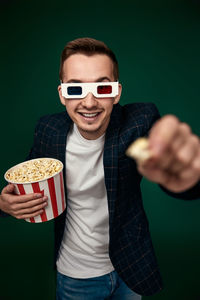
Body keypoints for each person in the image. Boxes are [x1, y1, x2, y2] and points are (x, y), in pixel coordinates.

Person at [0, 37, 200, 300]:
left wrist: (187, 179)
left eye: (102, 88)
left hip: (131, 267)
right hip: (75, 274)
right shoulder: (48, 131)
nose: (90, 102)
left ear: (117, 92)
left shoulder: (139, 122)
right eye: (75, 89)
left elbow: (172, 167)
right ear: (61, 95)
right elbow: (23, 182)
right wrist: (4, 205)